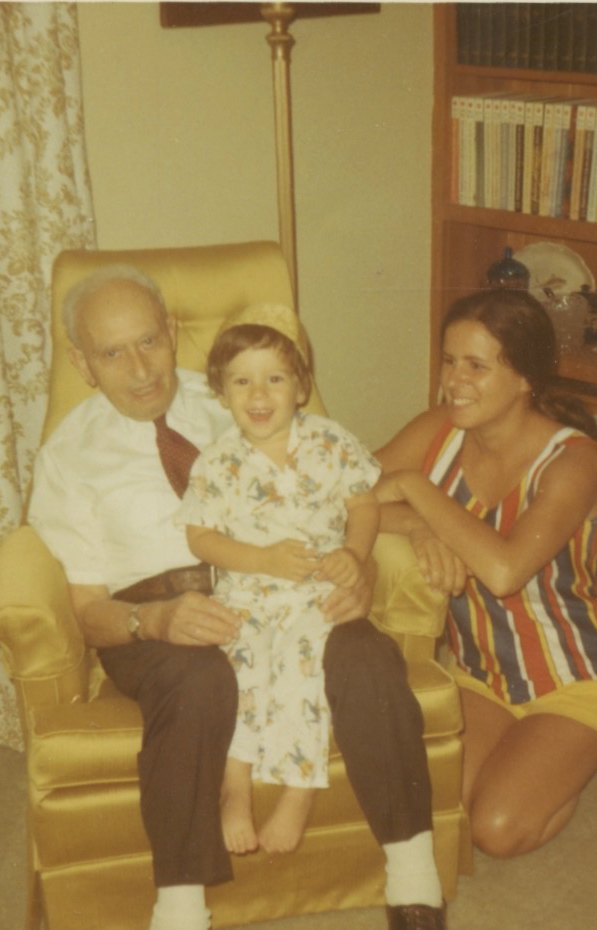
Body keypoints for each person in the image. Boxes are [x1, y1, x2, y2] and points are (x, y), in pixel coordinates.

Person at [26, 265, 447, 930]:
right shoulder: (66, 457)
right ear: (81, 363)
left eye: (149, 341)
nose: (140, 369)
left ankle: (413, 874)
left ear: (172, 332)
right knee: (199, 680)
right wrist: (154, 619)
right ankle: (181, 906)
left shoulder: (245, 388)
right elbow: (87, 611)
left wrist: (364, 567)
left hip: (286, 590)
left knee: (366, 657)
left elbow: (334, 492)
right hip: (153, 616)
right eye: (112, 353)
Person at [374, 287, 597, 860]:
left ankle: (565, 763)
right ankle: (534, 759)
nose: (455, 381)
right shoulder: (437, 431)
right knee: (434, 809)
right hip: (484, 670)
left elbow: (503, 570)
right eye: (449, 361)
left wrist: (417, 490)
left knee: (494, 830)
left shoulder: (577, 460)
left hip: (582, 672)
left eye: (477, 366)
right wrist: (419, 526)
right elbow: (335, 503)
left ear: (525, 378)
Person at [176, 303, 380, 857]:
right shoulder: (216, 463)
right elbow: (200, 537)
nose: (259, 394)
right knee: (242, 670)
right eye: (241, 381)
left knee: (300, 667)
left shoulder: (332, 442)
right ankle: (235, 786)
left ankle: (298, 790)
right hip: (247, 595)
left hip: (317, 597)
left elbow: (364, 506)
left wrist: (354, 554)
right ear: (221, 394)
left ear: (301, 387)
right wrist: (261, 559)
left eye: (275, 379)